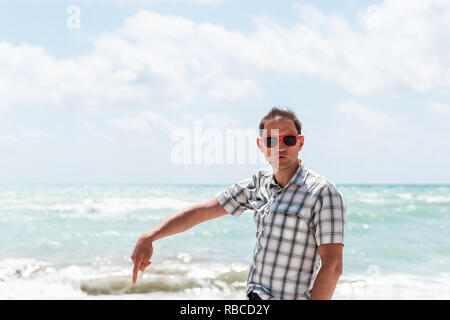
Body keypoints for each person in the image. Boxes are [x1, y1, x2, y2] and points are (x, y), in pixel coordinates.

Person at [130, 107, 346, 300]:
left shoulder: (323, 192)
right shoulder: (257, 184)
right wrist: (150, 236)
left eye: (288, 139)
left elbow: (333, 266)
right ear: (261, 146)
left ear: (300, 142)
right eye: (271, 141)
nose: (280, 147)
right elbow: (202, 212)